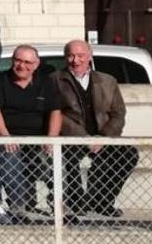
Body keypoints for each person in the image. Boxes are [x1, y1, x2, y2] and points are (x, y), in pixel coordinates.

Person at [48, 40, 134, 218]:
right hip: (71, 138)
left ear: (89, 56)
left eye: (81, 56)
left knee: (128, 154)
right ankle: (76, 202)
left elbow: (118, 113)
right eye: (71, 55)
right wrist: (84, 138)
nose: (75, 60)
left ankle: (103, 202)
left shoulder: (108, 81)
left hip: (103, 137)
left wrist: (104, 138)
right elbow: (56, 114)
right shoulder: (54, 80)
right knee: (69, 157)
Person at [0, 45, 54, 216]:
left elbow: (56, 112)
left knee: (57, 157)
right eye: (18, 60)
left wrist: (52, 139)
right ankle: (19, 206)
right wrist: (6, 137)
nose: (22, 66)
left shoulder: (46, 82)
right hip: (8, 134)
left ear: (36, 64)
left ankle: (62, 205)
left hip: (37, 137)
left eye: (27, 62)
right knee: (9, 154)